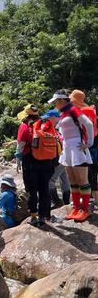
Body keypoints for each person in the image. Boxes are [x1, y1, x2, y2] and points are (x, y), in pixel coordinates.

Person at [48, 90, 94, 221]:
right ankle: (76, 207)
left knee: (82, 180)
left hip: (77, 147)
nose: (55, 105)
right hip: (68, 148)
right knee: (72, 180)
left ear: (62, 101)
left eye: (56, 102)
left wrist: (89, 142)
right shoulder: (63, 113)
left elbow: (88, 124)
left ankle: (84, 209)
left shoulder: (73, 110)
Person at [69, 89, 98, 212]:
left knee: (87, 174)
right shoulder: (90, 110)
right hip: (94, 144)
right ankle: (94, 200)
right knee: (93, 174)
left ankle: (89, 200)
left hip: (87, 145)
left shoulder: (81, 112)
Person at [43, 109, 71, 206]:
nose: (46, 120)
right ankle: (66, 201)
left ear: (54, 117)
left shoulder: (57, 127)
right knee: (64, 178)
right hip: (65, 156)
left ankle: (57, 202)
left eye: (48, 118)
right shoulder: (61, 126)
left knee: (50, 181)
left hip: (60, 158)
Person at [15, 104, 40, 195]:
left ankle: (32, 206)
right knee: (41, 181)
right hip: (43, 156)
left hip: (29, 157)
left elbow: (21, 144)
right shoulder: (42, 123)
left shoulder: (24, 126)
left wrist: (18, 159)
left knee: (29, 181)